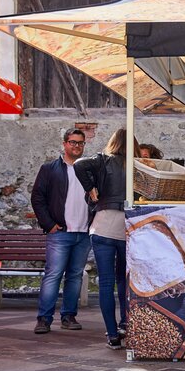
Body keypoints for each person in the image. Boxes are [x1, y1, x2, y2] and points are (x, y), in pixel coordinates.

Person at [74, 128, 134, 350]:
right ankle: (125, 323)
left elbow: (79, 164)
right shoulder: (136, 165)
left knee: (106, 283)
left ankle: (111, 334)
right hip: (127, 229)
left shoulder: (102, 160)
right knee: (125, 282)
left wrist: (90, 189)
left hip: (102, 227)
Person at [31, 128, 91, 334]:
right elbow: (37, 198)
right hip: (60, 232)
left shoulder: (89, 169)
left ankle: (68, 316)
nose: (77, 146)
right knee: (53, 275)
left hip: (84, 233)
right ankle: (44, 319)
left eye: (81, 143)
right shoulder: (50, 169)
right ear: (64, 144)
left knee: (75, 276)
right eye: (73, 142)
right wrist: (49, 225)